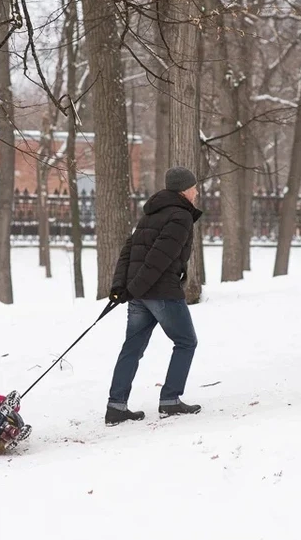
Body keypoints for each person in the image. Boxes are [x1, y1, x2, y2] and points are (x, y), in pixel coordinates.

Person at [105, 166, 204, 426]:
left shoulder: (150, 214)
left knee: (132, 347)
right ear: (184, 190)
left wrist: (121, 286)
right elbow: (160, 258)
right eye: (194, 188)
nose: (197, 192)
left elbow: (128, 251)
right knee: (186, 342)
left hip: (140, 292)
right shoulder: (180, 216)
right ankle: (170, 399)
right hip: (161, 292)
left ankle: (116, 406)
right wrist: (131, 288)